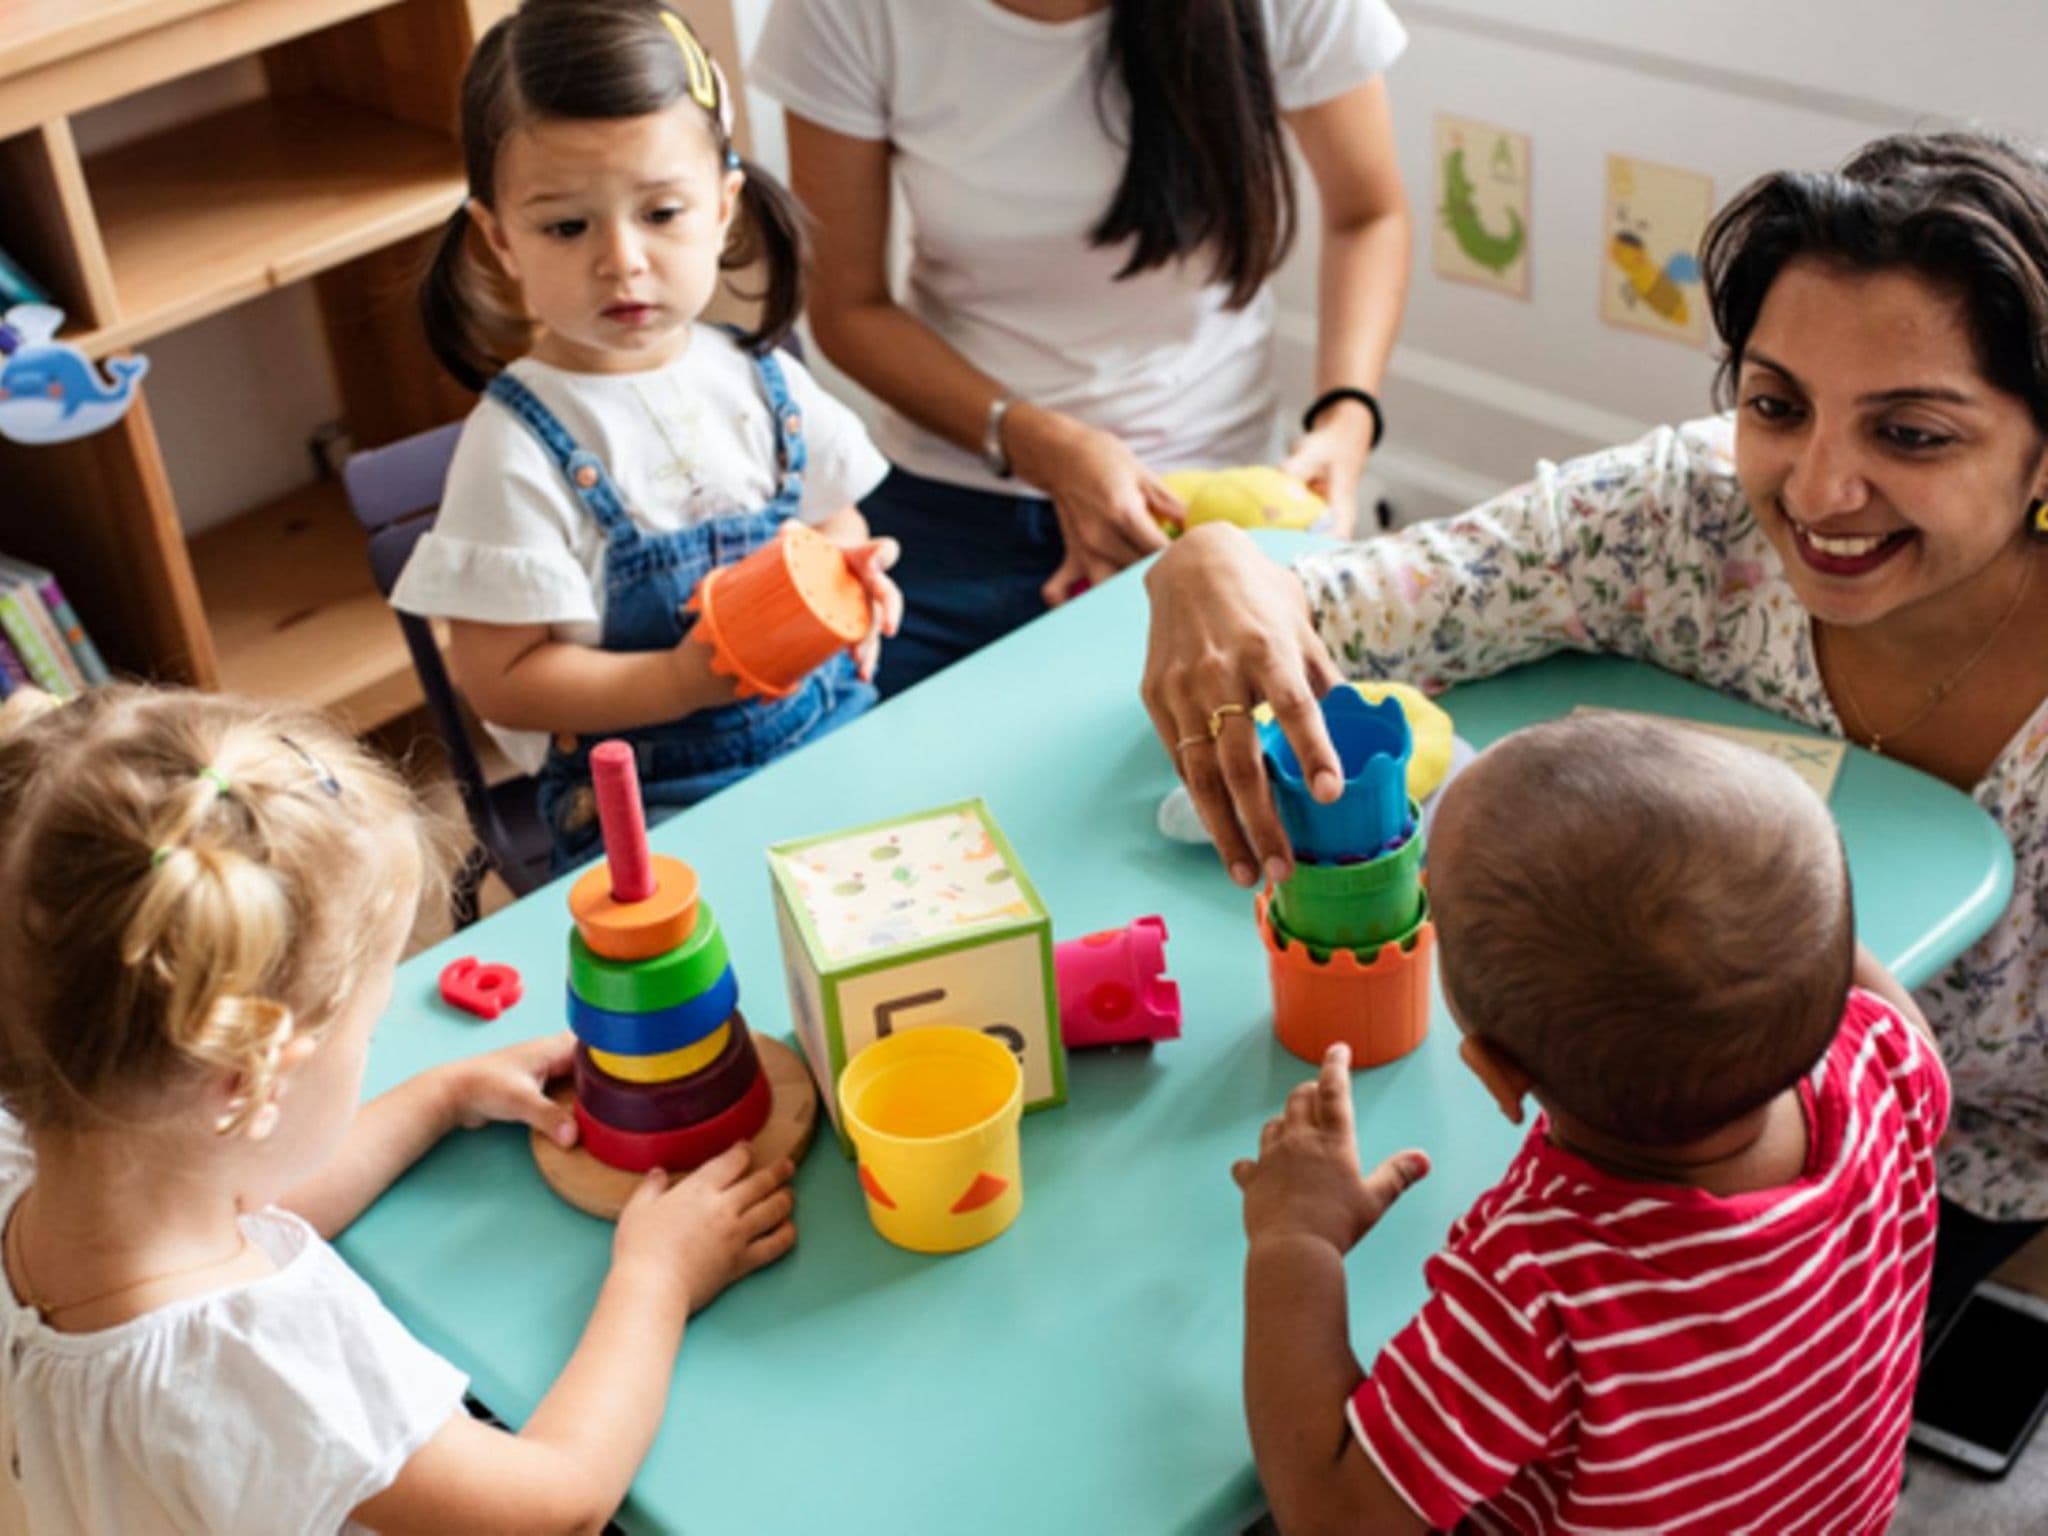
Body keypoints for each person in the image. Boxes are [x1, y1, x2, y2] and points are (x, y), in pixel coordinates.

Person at [1144, 129, 2048, 1338]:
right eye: (1776, 405)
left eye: (1911, 434)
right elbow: (1347, 613)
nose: (1818, 490)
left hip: (1965, 1157)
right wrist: (1206, 562)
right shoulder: (1683, 523)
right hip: (1625, 1109)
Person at [0, 686, 797, 1533]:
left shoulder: (40, 1163)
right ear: (251, 1083)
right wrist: (656, 1279)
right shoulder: (266, 1365)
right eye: (371, 1029)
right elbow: (555, 1501)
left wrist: (439, 1097)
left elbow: (236, 1205)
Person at [1236, 715, 1948, 1535]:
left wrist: (1297, 1242)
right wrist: (1774, 908)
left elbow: (1332, 1515)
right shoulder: (1884, 1065)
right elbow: (1862, 994)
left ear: (1501, 1076)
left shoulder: (1539, 1287)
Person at [752, 0, 1411, 696]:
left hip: (1212, 502)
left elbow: (1368, 214)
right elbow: (849, 308)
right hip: (954, 500)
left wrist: (1348, 417)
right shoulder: (846, 12)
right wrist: (1037, 441)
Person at [394, 0, 904, 868]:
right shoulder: (515, 448)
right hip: (651, 805)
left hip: (830, 731)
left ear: (722, 206)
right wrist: (675, 682)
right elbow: (501, 680)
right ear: (499, 240)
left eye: (661, 213)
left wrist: (842, 574)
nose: (622, 259)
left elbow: (836, 520)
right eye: (566, 226)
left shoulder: (762, 380)